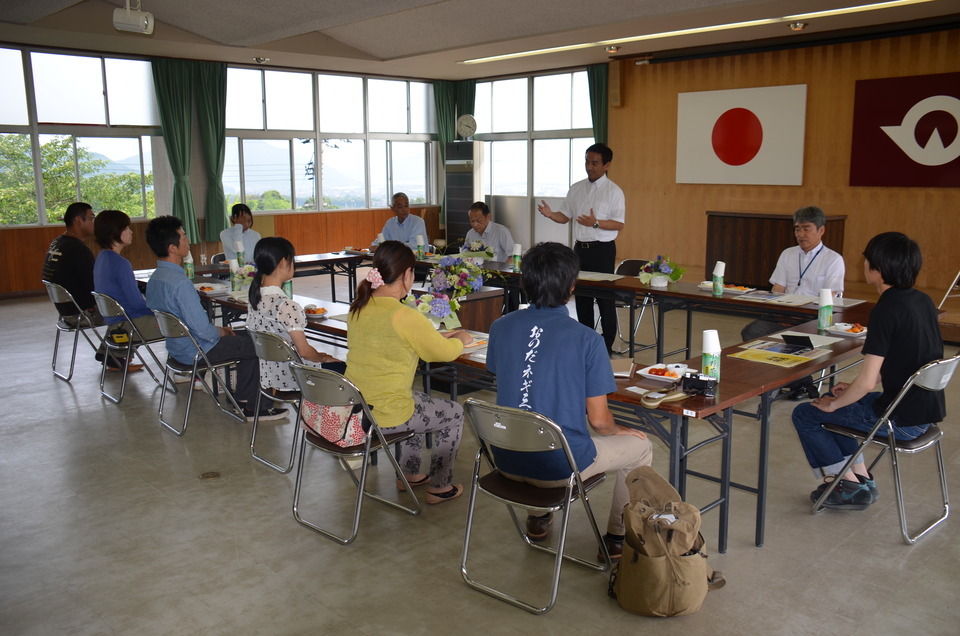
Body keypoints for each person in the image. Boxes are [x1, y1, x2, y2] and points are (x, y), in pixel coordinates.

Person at [486, 242, 653, 559]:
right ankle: (618, 538)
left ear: (525, 282)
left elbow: (511, 380)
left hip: (504, 457)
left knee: (531, 418)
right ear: (572, 287)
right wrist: (620, 430)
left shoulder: (500, 326)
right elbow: (600, 422)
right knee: (642, 447)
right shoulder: (587, 339)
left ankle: (537, 518)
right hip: (558, 467)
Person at [792, 232, 945, 510]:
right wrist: (850, 391)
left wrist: (837, 402)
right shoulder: (922, 301)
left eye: (868, 260)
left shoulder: (885, 310)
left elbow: (867, 383)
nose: (865, 265)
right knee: (840, 404)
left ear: (879, 267)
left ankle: (845, 484)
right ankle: (859, 478)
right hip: (924, 411)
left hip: (899, 419)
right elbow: (901, 363)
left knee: (807, 413)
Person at [345, 240, 471, 504]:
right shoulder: (404, 315)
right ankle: (439, 486)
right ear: (406, 275)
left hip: (358, 407)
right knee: (454, 413)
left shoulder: (358, 307)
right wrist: (462, 340)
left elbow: (403, 339)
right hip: (388, 413)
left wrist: (437, 335)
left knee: (414, 399)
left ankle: (408, 475)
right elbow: (443, 353)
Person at [145, 216, 286, 421]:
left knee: (252, 336)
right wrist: (222, 331)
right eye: (183, 236)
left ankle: (245, 399)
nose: (188, 241)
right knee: (261, 345)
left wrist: (221, 332)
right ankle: (256, 408)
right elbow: (203, 331)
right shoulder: (179, 283)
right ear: (172, 247)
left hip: (177, 348)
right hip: (197, 350)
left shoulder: (156, 277)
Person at [741, 205, 846, 399]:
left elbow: (829, 300)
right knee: (752, 331)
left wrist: (799, 313)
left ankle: (796, 383)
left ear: (821, 230)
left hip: (814, 318)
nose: (801, 234)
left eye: (806, 229)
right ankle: (788, 381)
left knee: (794, 338)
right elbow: (777, 290)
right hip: (785, 313)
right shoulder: (788, 254)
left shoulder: (833, 260)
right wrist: (776, 310)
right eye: (797, 229)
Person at [537, 143, 624, 354]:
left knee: (605, 299)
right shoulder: (576, 188)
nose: (589, 167)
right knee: (582, 297)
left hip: (602, 250)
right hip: (580, 250)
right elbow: (564, 217)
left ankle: (606, 344)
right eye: (587, 161)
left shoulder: (614, 191)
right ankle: (585, 340)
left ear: (607, 164)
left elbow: (619, 224)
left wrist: (596, 223)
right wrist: (550, 214)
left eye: (594, 163)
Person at [245, 236, 346, 390]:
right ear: (283, 262)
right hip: (295, 376)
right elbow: (305, 352)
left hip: (268, 375)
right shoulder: (285, 305)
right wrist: (323, 357)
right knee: (345, 368)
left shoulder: (254, 298)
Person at [93, 209, 162, 346]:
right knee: (185, 324)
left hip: (114, 322)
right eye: (126, 228)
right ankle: (193, 364)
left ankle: (114, 359)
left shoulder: (102, 257)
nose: (131, 231)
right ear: (114, 232)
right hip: (129, 324)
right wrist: (159, 311)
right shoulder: (120, 264)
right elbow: (137, 303)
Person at [42, 202, 102, 327]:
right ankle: (110, 347)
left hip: (66, 312)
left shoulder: (58, 242)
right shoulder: (77, 248)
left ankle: (110, 346)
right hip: (83, 314)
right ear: (78, 220)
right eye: (91, 218)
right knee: (130, 314)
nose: (93, 222)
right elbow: (95, 285)